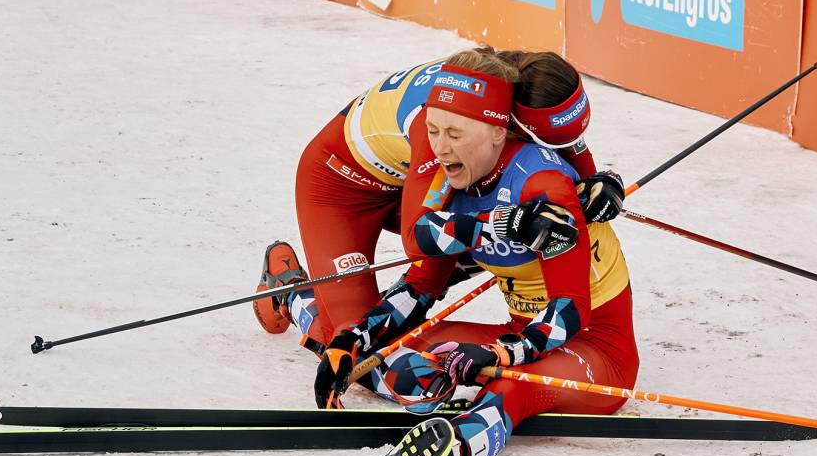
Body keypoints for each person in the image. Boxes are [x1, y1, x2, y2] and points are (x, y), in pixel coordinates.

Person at [307, 52, 639, 456]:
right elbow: (421, 270)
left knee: (512, 385)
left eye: (454, 136)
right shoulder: (453, 173)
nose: (442, 147)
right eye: (436, 134)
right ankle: (298, 304)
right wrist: (353, 340)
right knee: (397, 352)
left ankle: (460, 447)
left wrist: (601, 178)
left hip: (594, 348)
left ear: (503, 131)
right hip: (339, 182)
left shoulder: (543, 185)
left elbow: (568, 314)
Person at [255, 48, 619, 352]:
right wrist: (513, 222)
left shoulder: (521, 82)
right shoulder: (446, 130)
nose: (558, 151)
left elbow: (564, 142)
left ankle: (395, 299)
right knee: (356, 346)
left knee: (498, 232)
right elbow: (418, 239)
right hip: (341, 190)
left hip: (411, 178)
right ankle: (292, 294)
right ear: (506, 125)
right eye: (542, 144)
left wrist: (601, 183)